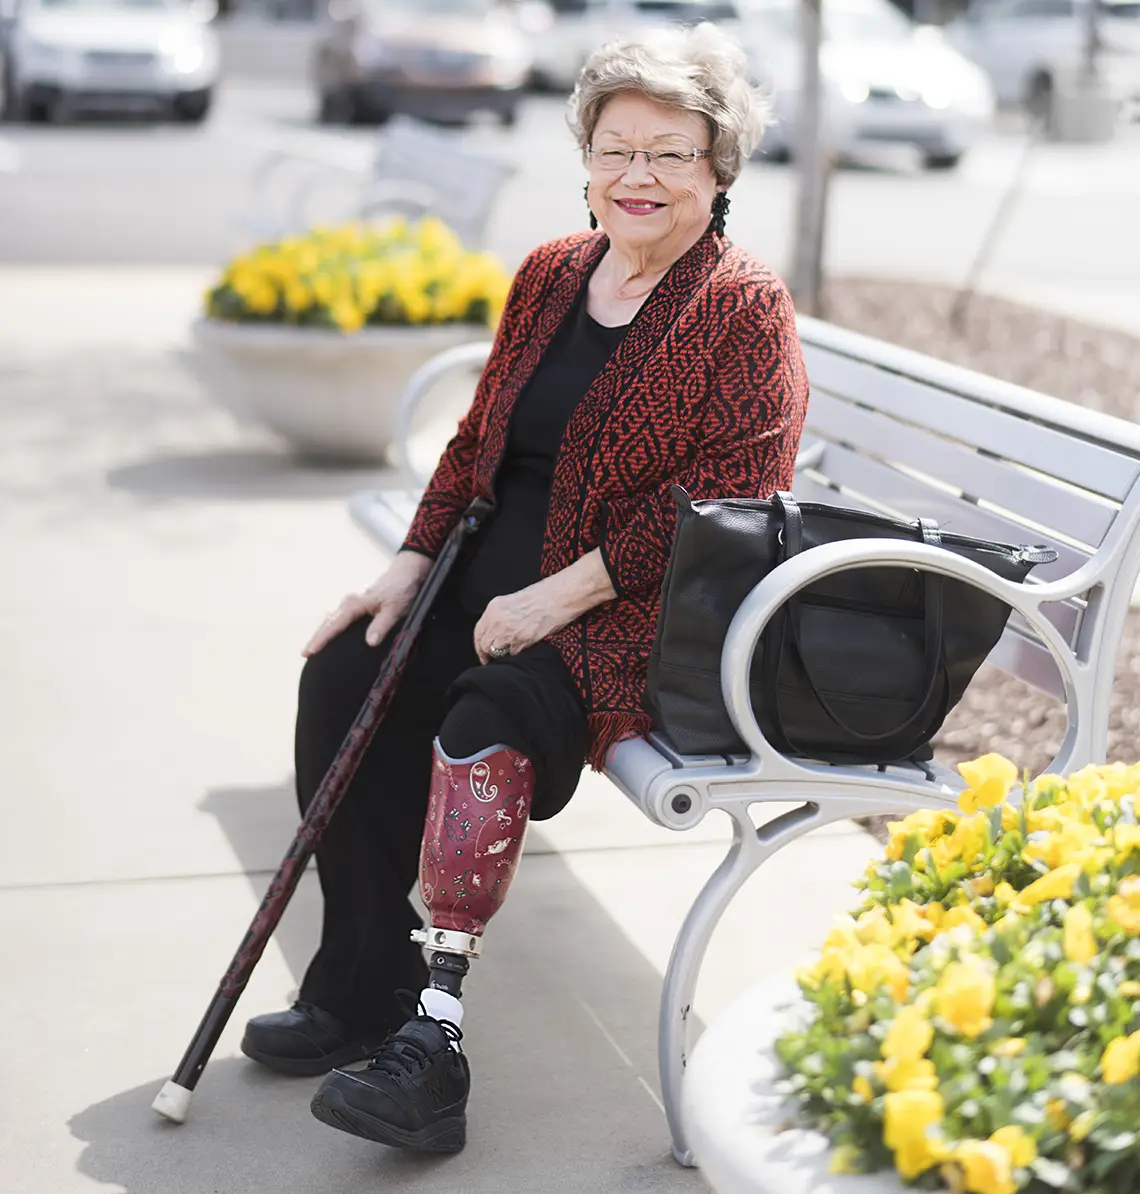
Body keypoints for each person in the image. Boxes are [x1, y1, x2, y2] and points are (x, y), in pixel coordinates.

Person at [240, 21, 810, 1155]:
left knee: (482, 716)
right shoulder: (553, 273)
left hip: (629, 618)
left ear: (719, 168)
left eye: (670, 153)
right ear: (586, 158)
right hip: (478, 582)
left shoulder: (743, 309)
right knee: (343, 669)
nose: (637, 177)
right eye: (616, 149)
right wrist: (405, 567)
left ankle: (434, 1049)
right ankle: (361, 987)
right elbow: (476, 442)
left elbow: (732, 497)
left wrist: (560, 597)